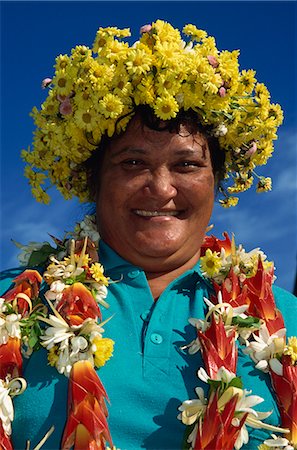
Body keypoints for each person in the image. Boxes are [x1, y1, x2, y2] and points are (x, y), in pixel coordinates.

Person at [0, 20, 296, 450]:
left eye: (187, 165)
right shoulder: (14, 304)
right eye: (133, 163)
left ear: (217, 179)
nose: (160, 188)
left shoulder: (283, 321)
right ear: (93, 181)